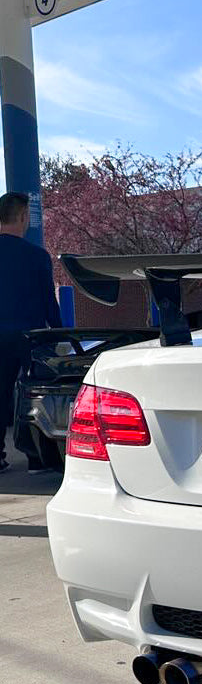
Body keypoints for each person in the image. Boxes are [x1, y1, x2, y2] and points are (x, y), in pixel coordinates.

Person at [0, 192, 62, 473]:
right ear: (24, 216)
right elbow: (49, 302)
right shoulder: (37, 257)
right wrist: (60, 336)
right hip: (32, 337)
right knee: (35, 394)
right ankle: (37, 457)